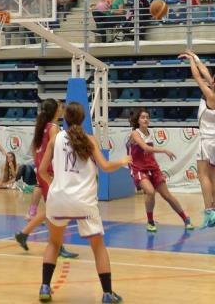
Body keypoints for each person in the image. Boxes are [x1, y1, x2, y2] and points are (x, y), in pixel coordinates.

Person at [36, 102, 130, 303]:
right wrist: (121, 162)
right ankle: (107, 293)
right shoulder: (89, 139)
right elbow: (104, 167)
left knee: (53, 243)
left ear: (65, 119)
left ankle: (44, 287)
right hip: (83, 201)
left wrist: (56, 184)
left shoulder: (56, 138)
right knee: (98, 247)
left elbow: (41, 171)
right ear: (82, 119)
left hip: (58, 199)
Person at [14, 99, 79, 259]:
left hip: (43, 171)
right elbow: (56, 151)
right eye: (60, 107)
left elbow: (36, 150)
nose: (62, 109)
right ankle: (58, 245)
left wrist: (39, 166)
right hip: (50, 173)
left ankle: (24, 234)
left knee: (52, 209)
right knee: (58, 210)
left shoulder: (42, 126)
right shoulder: (54, 128)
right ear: (55, 111)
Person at [177, 51, 215, 229]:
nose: (209, 79)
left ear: (214, 84)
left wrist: (191, 61)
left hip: (208, 138)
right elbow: (205, 72)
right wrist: (196, 58)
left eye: (212, 80)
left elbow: (197, 75)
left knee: (203, 175)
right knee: (214, 175)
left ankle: (209, 211)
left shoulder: (211, 96)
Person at [127, 108, 194, 232]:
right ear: (138, 120)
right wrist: (164, 150)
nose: (146, 119)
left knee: (167, 195)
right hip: (138, 169)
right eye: (143, 117)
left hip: (152, 168)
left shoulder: (150, 132)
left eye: (147, 117)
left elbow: (149, 153)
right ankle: (150, 221)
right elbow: (145, 148)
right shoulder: (135, 133)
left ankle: (186, 219)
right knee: (150, 191)